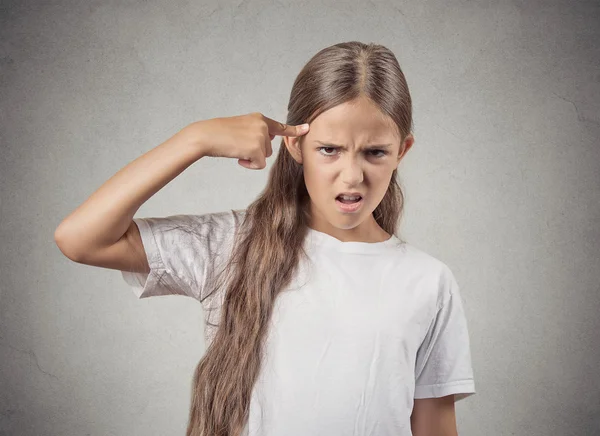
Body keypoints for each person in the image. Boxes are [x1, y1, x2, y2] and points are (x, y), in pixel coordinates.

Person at [54, 41, 476, 436]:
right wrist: (194, 139)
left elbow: (434, 425)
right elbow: (81, 238)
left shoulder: (428, 281)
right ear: (295, 145)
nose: (352, 175)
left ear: (402, 151)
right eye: (329, 149)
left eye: (375, 152)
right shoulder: (231, 245)